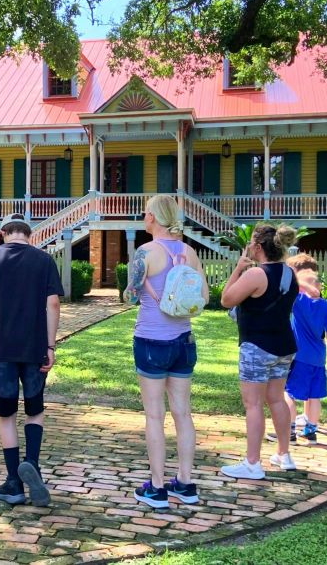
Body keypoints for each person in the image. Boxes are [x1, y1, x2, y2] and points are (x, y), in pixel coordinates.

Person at [123, 195, 209, 508]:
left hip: (150, 341)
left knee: (154, 415)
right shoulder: (189, 251)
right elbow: (203, 296)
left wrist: (140, 286)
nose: (143, 218)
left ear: (154, 217)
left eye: (145, 213)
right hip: (184, 340)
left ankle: (157, 487)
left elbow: (129, 297)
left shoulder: (145, 252)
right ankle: (185, 484)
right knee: (183, 414)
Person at [0, 213, 61, 507]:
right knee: (35, 410)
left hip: (1, 349)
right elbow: (53, 304)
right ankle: (31, 462)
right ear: (29, 234)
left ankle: (13, 483)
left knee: (6, 414)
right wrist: (50, 345)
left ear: (3, 231)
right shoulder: (44, 260)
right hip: (35, 348)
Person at [219, 223, 299, 479]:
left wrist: (239, 268)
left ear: (257, 246)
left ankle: (252, 463)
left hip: (257, 347)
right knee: (276, 399)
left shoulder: (256, 275)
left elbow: (226, 299)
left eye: (251, 242)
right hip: (284, 346)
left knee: (252, 404)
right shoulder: (289, 273)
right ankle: (283, 454)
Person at [280, 255, 327, 444]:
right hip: (318, 357)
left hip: (299, 356)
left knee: (287, 392)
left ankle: (289, 432)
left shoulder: (298, 302)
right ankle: (311, 431)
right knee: (314, 396)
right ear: (320, 286)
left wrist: (301, 281)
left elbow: (291, 286)